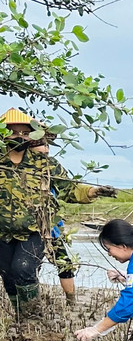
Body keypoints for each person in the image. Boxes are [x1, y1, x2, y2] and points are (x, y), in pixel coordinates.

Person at [1, 108, 115, 319]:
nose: (19, 136)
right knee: (8, 276)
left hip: (35, 229)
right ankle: (19, 317)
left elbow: (70, 189)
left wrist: (94, 191)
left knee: (23, 270)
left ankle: (32, 318)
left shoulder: (44, 164)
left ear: (32, 135)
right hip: (2, 232)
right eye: (12, 132)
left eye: (24, 133)